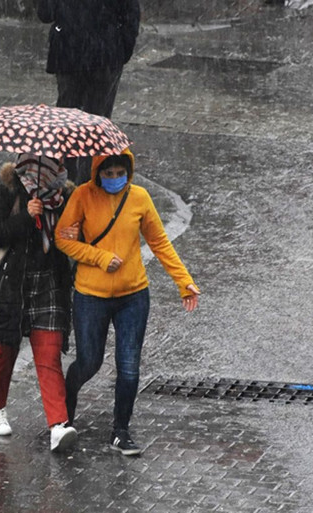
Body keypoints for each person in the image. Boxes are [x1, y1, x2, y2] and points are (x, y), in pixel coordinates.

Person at [54, 148, 201, 456]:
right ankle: (64, 414)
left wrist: (184, 281)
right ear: (98, 173)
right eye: (108, 173)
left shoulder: (140, 198)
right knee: (89, 362)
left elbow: (159, 241)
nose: (115, 179)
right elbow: (64, 239)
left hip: (133, 296)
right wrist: (99, 257)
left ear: (129, 172)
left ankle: (121, 431)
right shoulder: (82, 196)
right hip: (90, 296)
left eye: (120, 173)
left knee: (129, 366)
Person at [0, 153, 79, 452]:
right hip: (13, 286)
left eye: (57, 162)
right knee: (5, 351)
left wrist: (70, 232)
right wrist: (26, 216)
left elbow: (72, 237)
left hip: (48, 285)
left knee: (49, 354)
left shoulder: (65, 196)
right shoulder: (10, 188)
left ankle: (58, 424)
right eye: (47, 161)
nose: (54, 167)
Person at [37, 0, 141, 185]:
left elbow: (46, 13)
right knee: (95, 122)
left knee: (70, 121)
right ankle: (85, 182)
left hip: (77, 53)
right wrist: (120, 48)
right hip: (100, 54)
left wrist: (121, 49)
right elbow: (130, 15)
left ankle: (70, 181)